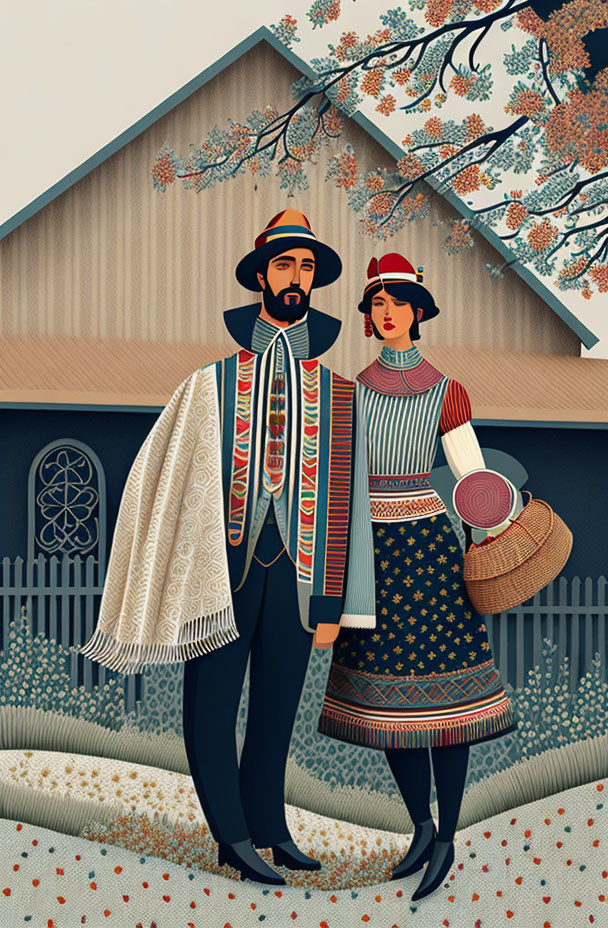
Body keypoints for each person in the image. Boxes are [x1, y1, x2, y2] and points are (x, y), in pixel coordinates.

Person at [317, 252, 518, 901]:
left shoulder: (445, 390)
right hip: (372, 553)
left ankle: (451, 835)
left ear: (418, 313)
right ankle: (421, 828)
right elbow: (341, 478)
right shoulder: (350, 390)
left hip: (429, 551)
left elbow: (472, 475)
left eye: (396, 302)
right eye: (376, 303)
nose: (385, 313)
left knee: (444, 705)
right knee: (387, 702)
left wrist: (488, 532)